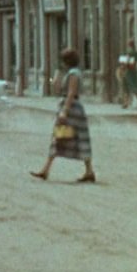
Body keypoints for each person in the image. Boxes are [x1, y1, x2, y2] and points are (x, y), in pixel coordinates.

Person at [30, 48, 96, 183]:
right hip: (72, 107)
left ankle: (45, 170)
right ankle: (88, 171)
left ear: (67, 61)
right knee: (78, 139)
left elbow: (71, 93)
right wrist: (56, 74)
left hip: (71, 108)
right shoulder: (70, 73)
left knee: (59, 138)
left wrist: (64, 111)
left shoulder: (73, 74)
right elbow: (56, 87)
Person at [121, 39, 137, 108]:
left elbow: (125, 63)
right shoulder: (136, 53)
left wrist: (122, 67)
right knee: (133, 86)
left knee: (127, 87)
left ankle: (126, 103)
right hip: (133, 71)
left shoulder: (129, 53)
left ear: (129, 45)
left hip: (128, 72)